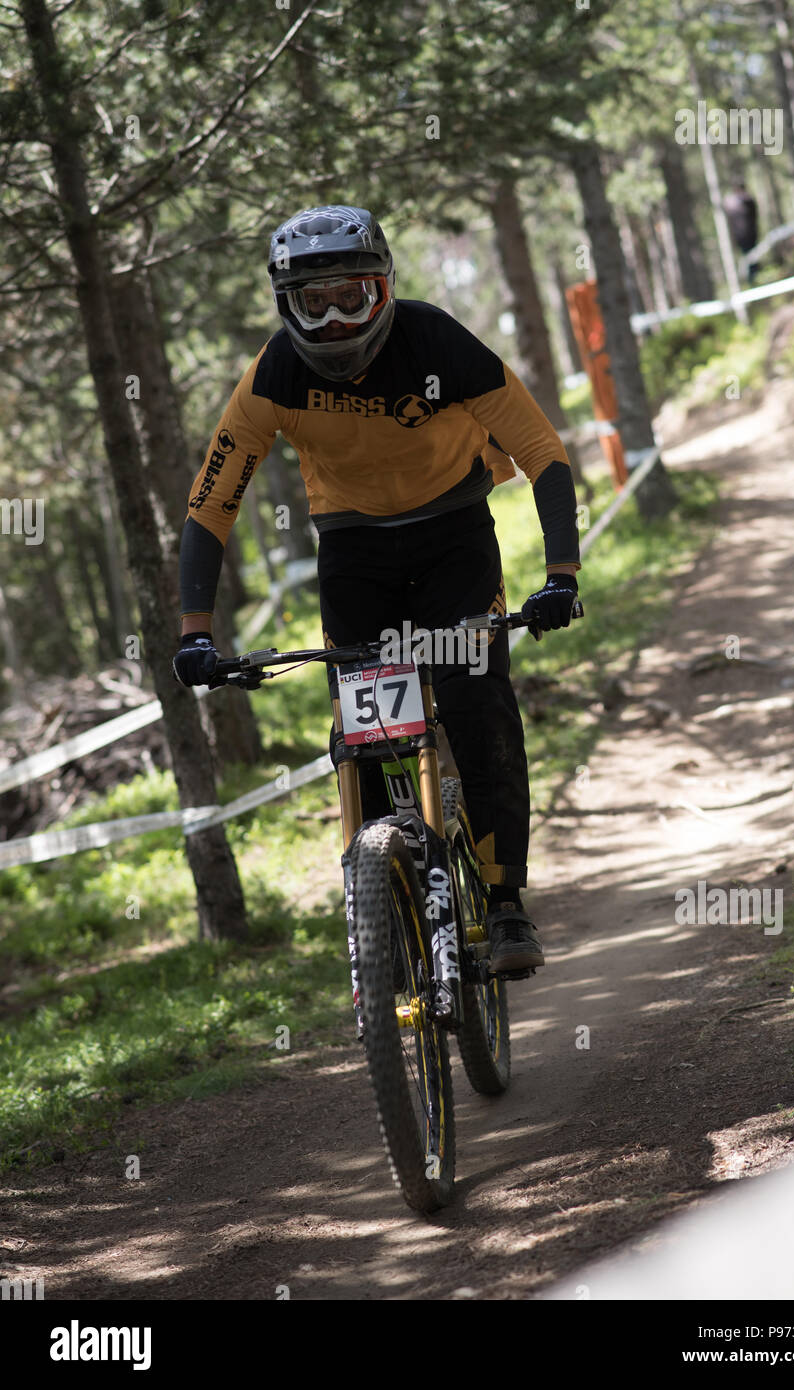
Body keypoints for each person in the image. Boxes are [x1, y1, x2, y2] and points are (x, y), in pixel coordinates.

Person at [173, 204, 581, 976]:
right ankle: (380, 897)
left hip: (454, 537)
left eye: (351, 297)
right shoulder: (272, 377)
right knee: (361, 739)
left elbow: (541, 451)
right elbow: (211, 503)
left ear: (384, 289)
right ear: (283, 304)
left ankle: (503, 906)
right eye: (312, 302)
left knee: (477, 701)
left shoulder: (439, 342)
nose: (333, 321)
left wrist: (561, 577)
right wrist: (194, 629)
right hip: (353, 553)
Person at [723, 181, 759, 285]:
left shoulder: (747, 201)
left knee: (752, 257)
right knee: (747, 257)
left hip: (749, 234)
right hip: (741, 236)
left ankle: (753, 278)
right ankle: (750, 279)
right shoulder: (736, 203)